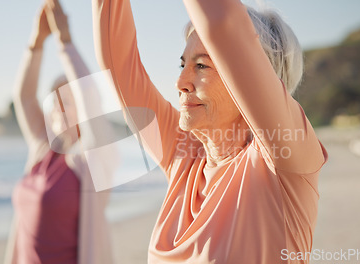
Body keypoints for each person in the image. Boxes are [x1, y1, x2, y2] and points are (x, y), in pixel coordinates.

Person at [92, 0, 328, 263]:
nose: (180, 83)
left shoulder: (284, 159)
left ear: (251, 78)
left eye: (201, 66)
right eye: (183, 65)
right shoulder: (183, 156)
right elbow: (118, 65)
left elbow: (222, 24)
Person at [5, 1, 115, 263]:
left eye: (66, 97)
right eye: (52, 97)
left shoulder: (92, 160)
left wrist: (65, 41)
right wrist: (36, 42)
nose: (56, 104)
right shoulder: (42, 150)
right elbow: (24, 97)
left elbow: (89, 94)